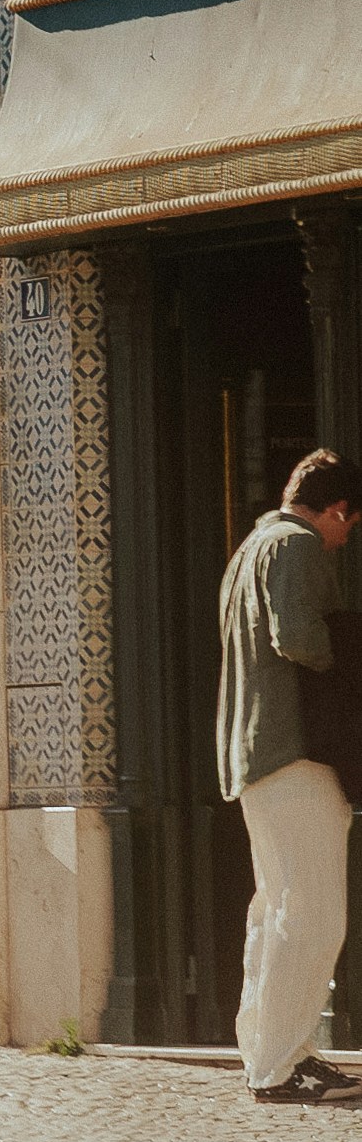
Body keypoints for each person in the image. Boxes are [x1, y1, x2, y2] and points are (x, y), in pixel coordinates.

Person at [221, 449, 362, 1102]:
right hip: (295, 752)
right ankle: (280, 1066)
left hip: (256, 756)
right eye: (349, 525)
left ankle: (271, 1055)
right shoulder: (297, 545)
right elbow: (299, 638)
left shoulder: (250, 548)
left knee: (276, 908)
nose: (344, 540)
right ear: (335, 510)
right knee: (313, 915)